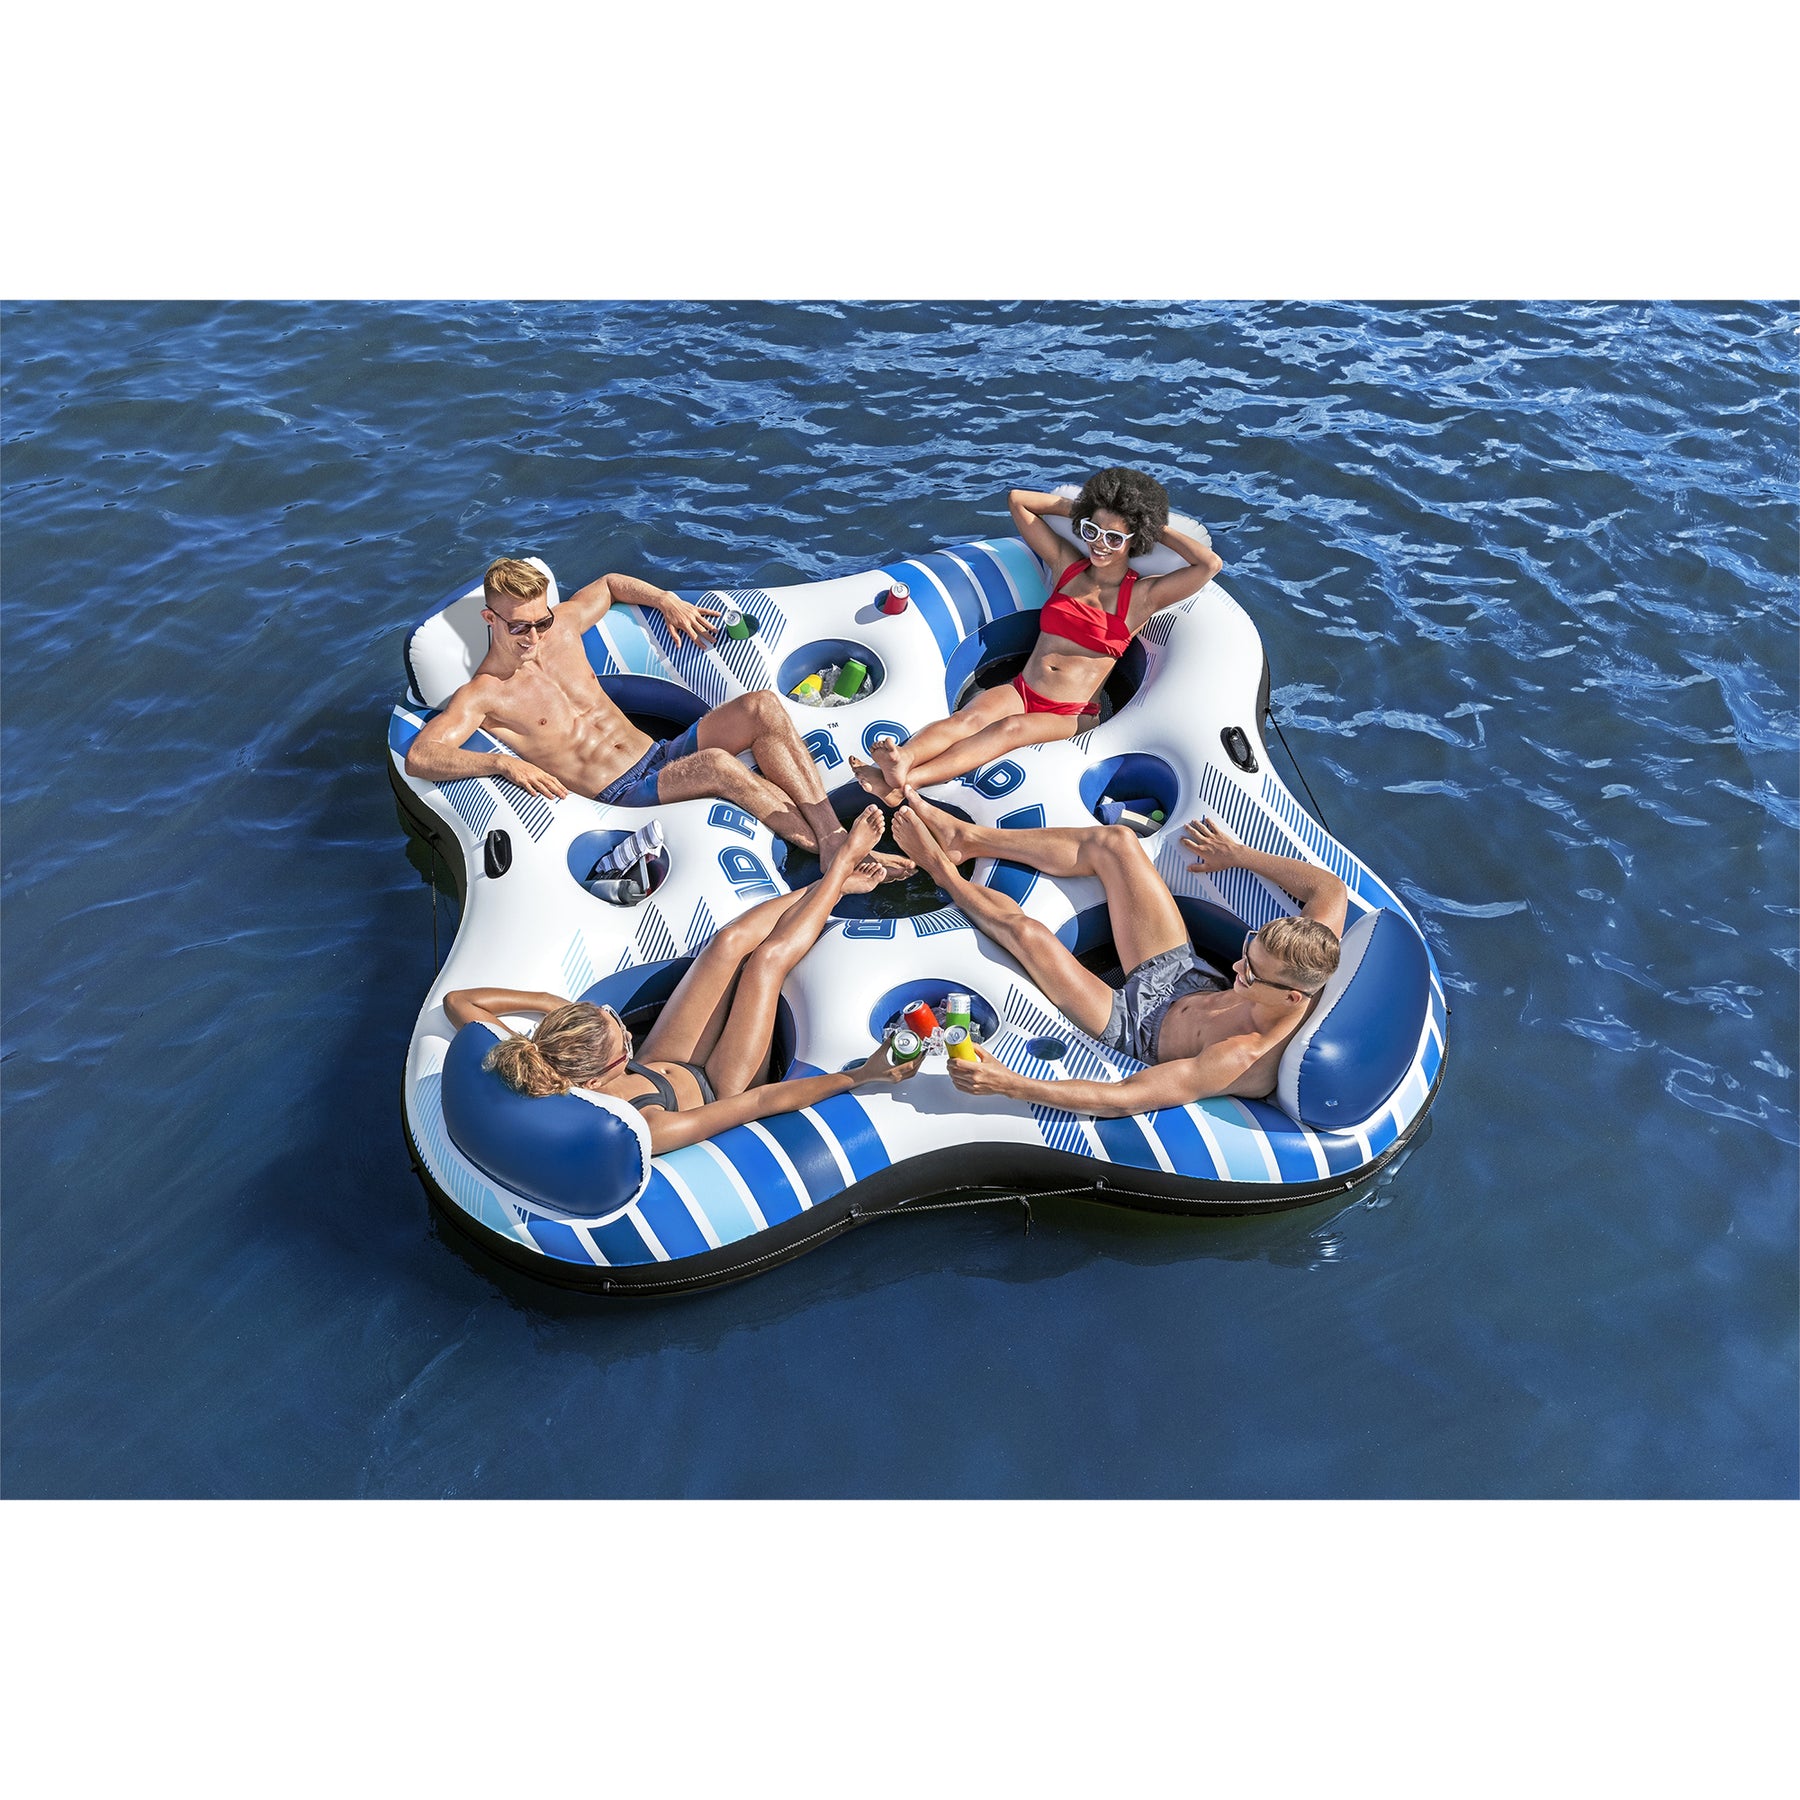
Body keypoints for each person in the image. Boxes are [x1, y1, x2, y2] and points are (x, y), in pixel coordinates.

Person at [445, 806, 920, 1153]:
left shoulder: (548, 1061)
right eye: (621, 1037)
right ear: (598, 1077)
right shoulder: (645, 1126)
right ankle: (839, 870)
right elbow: (757, 1103)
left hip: (661, 1062)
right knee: (765, 964)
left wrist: (549, 1005)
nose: (623, 1025)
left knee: (727, 943)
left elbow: (459, 1002)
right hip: (723, 1085)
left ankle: (828, 885)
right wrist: (860, 1074)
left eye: (611, 1017)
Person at [407, 557, 910, 879]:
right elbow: (422, 755)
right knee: (716, 764)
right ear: (490, 619)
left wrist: (666, 600)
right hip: (621, 793)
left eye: (541, 621)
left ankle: (833, 841)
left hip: (658, 753)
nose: (535, 636)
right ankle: (836, 854)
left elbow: (608, 584)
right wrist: (502, 764)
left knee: (762, 706)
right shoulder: (484, 694)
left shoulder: (562, 629)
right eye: (520, 627)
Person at [886, 790, 1348, 1114]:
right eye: (1248, 950)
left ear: (1292, 997)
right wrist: (1239, 855)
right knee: (1118, 843)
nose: (1237, 965)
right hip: (1186, 977)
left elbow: (1123, 1097)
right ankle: (967, 839)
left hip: (1136, 1028)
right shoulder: (1309, 948)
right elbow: (1330, 889)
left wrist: (1012, 1085)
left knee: (1029, 934)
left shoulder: (1241, 1058)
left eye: (1249, 973)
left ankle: (941, 870)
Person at [851, 470, 1222, 803]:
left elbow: (1209, 564)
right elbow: (1018, 501)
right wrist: (1085, 510)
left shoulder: (1141, 596)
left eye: (1113, 538)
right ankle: (904, 759)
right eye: (1092, 532)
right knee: (967, 721)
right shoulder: (1068, 567)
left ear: (1132, 540)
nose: (1100, 544)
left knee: (1008, 729)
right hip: (1023, 688)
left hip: (1072, 712)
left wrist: (1153, 528)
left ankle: (906, 782)